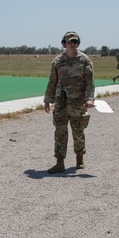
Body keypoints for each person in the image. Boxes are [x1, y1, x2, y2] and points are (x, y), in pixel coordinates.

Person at [44, 31, 95, 173]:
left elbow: (90, 82)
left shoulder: (85, 60)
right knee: (60, 132)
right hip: (61, 103)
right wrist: (48, 100)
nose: (73, 44)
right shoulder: (57, 62)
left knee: (78, 132)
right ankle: (59, 162)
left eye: (75, 42)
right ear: (64, 44)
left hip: (78, 103)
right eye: (70, 42)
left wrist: (90, 99)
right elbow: (52, 82)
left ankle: (79, 159)